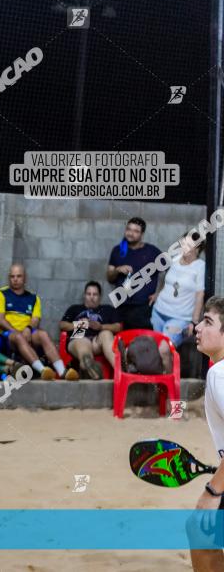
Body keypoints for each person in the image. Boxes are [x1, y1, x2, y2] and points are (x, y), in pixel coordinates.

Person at [0, 263, 78, 381]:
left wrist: (28, 329)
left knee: (43, 334)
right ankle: (43, 370)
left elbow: (35, 319)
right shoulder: (0, 294)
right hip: (5, 336)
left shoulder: (33, 298)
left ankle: (62, 371)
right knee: (18, 336)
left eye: (19, 276)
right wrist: (19, 332)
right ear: (9, 278)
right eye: (12, 276)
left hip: (26, 333)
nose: (15, 279)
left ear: (25, 278)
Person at [189, 297, 224, 571]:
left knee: (200, 531)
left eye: (208, 322)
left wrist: (213, 489)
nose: (198, 328)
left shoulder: (219, 375)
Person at [151, 231, 206, 371]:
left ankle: (168, 387)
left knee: (164, 349)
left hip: (180, 318)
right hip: (158, 313)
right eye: (183, 243)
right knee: (157, 350)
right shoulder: (175, 258)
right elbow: (165, 279)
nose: (184, 247)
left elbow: (200, 294)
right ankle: (160, 384)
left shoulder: (200, 266)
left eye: (189, 245)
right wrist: (157, 294)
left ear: (198, 248)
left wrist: (194, 322)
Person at [106, 217, 162, 329]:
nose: (131, 233)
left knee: (140, 340)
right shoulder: (117, 250)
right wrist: (117, 270)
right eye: (129, 229)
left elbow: (170, 272)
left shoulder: (152, 251)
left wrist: (159, 293)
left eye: (136, 231)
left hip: (143, 307)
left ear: (142, 234)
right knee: (122, 339)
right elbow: (109, 277)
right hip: (121, 305)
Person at [59, 281, 122, 380]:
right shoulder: (75, 308)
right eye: (89, 294)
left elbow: (118, 327)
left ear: (100, 296)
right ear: (84, 295)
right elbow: (62, 325)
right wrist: (80, 324)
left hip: (97, 341)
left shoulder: (108, 309)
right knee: (81, 341)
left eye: (95, 294)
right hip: (79, 336)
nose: (91, 297)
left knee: (106, 333)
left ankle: (121, 371)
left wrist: (100, 327)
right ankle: (89, 365)